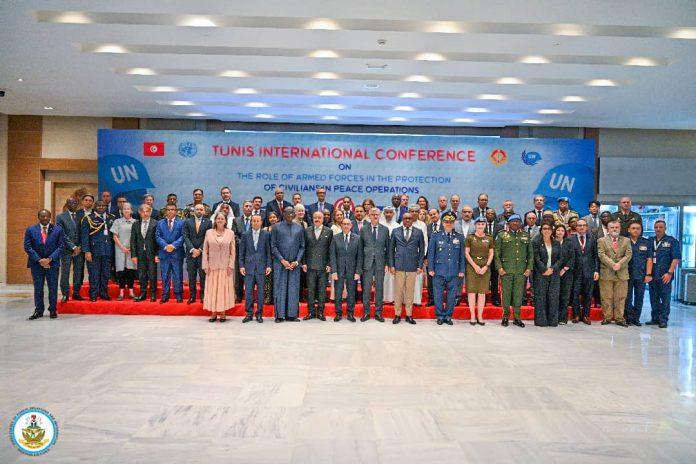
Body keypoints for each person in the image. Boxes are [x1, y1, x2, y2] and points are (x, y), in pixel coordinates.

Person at [494, 214, 533, 328]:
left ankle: (517, 317)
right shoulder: (502, 235)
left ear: (521, 223)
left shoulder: (526, 236)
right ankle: (505, 316)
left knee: (518, 295)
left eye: (517, 221)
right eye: (513, 221)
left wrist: (529, 268)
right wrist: (499, 268)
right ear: (509, 223)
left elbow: (530, 254)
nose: (515, 223)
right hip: (506, 270)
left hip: (521, 271)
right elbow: (497, 253)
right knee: (506, 295)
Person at [25, 209, 64, 319]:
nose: (45, 218)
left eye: (47, 216)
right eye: (42, 216)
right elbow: (28, 247)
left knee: (53, 287)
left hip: (52, 263)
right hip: (36, 264)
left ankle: (53, 310)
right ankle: (39, 310)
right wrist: (40, 260)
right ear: (38, 217)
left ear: (50, 217)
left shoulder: (58, 229)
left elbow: (61, 246)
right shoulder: (31, 229)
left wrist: (49, 259)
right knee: (38, 287)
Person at [427, 212, 465, 325]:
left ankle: (448, 316)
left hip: (453, 270)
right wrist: (430, 268)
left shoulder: (459, 237)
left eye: (451, 222)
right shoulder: (435, 235)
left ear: (454, 223)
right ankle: (439, 315)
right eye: (446, 222)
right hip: (438, 270)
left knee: (451, 295)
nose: (449, 224)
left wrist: (461, 270)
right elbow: (431, 253)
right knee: (438, 294)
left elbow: (462, 255)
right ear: (443, 223)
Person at [389, 212, 425, 324]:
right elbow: (391, 250)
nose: (408, 220)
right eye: (405, 218)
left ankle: (409, 315)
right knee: (398, 292)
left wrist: (420, 266)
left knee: (410, 292)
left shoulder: (418, 232)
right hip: (398, 266)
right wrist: (392, 265)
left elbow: (422, 250)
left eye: (409, 218)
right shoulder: (395, 231)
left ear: (412, 219)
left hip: (412, 266)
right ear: (402, 219)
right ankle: (397, 314)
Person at [271, 206, 305, 322]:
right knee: (280, 288)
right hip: (280, 263)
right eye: (287, 213)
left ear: (294, 214)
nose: (290, 215)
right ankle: (279, 315)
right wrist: (282, 260)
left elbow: (302, 247)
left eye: (292, 213)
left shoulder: (299, 228)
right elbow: (273, 246)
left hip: (294, 265)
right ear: (283, 214)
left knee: (293, 289)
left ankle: (292, 315)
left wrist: (297, 261)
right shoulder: (276, 227)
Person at [202, 213, 236, 322]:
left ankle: (223, 313)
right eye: (218, 218)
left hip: (225, 267)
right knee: (212, 290)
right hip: (212, 266)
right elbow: (205, 250)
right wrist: (205, 265)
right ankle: (213, 313)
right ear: (215, 220)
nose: (220, 220)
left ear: (225, 221)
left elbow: (233, 251)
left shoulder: (230, 233)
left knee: (223, 290)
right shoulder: (209, 232)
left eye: (222, 218)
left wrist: (231, 265)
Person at [597, 220, 632, 326]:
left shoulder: (626, 240)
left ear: (620, 228)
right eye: (612, 227)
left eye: (616, 227)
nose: (614, 229)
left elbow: (628, 254)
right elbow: (601, 255)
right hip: (607, 272)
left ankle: (619, 318)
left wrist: (619, 264)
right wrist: (613, 264)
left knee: (621, 297)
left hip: (622, 273)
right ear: (608, 229)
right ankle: (607, 317)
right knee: (606, 297)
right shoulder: (601, 240)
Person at [647, 220, 680, 328]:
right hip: (653, 274)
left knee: (665, 298)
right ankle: (655, 318)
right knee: (653, 297)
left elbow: (676, 258)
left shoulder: (672, 241)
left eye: (661, 227)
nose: (658, 229)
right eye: (656, 227)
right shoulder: (650, 240)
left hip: (665, 274)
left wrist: (669, 273)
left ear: (665, 228)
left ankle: (663, 320)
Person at [239, 215, 271, 323]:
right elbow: (241, 252)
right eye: (254, 221)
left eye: (258, 221)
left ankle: (259, 314)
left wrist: (269, 265)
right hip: (249, 267)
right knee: (248, 292)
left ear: (261, 222)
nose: (256, 222)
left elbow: (268, 251)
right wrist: (241, 266)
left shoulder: (266, 234)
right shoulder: (245, 235)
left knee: (261, 292)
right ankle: (249, 313)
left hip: (261, 267)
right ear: (251, 222)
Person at [81, 200, 115, 301]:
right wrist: (87, 251)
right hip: (94, 251)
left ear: (106, 207)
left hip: (108, 250)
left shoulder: (111, 218)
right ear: (95, 207)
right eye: (98, 205)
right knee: (94, 274)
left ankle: (104, 293)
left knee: (105, 274)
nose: (101, 207)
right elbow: (84, 237)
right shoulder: (88, 218)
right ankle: (93, 294)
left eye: (103, 205)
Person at [303, 211, 333, 321]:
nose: (317, 219)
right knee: (311, 290)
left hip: (323, 266)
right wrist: (304, 263)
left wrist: (329, 264)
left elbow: (331, 249)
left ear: (323, 219)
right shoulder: (307, 230)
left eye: (319, 217)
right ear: (312, 218)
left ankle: (320, 312)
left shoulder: (329, 231)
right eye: (315, 217)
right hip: (310, 265)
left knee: (321, 290)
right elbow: (304, 247)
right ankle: (311, 312)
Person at [330, 218, 362, 322]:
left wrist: (358, 272)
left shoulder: (357, 238)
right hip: (338, 270)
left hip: (352, 271)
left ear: (351, 226)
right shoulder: (335, 238)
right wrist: (334, 271)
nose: (346, 226)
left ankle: (350, 313)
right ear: (341, 225)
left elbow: (359, 257)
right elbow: (332, 256)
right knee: (338, 292)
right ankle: (338, 313)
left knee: (351, 292)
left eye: (348, 224)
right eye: (344, 224)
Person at [360, 207, 389, 322]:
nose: (375, 216)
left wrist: (387, 263)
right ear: (369, 216)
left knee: (379, 288)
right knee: (366, 289)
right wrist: (360, 265)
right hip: (367, 263)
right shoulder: (363, 229)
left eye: (377, 214)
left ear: (380, 215)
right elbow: (360, 248)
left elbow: (388, 248)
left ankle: (378, 313)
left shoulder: (385, 230)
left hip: (380, 263)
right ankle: (366, 312)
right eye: (373, 214)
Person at [465, 216, 494, 325]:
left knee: (482, 292)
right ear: (475, 225)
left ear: (485, 225)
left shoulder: (489, 238)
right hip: (472, 267)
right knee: (472, 292)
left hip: (485, 267)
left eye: (482, 224)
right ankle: (472, 316)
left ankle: (480, 316)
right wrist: (475, 266)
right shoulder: (470, 237)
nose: (480, 226)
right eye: (478, 224)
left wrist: (486, 266)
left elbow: (491, 253)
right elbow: (466, 253)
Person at [570, 219, 599, 324]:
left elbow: (596, 256)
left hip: (589, 271)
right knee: (575, 294)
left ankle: (586, 315)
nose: (581, 227)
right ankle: (576, 315)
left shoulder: (593, 239)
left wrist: (596, 270)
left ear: (586, 227)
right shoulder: (570, 239)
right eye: (579, 225)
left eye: (583, 225)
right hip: (575, 272)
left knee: (588, 294)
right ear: (576, 227)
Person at [533, 223, 562, 327]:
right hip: (541, 273)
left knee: (553, 297)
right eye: (544, 228)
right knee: (540, 298)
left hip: (554, 274)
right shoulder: (536, 242)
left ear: (552, 230)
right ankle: (541, 321)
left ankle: (552, 321)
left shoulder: (556, 243)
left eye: (549, 228)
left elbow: (560, 258)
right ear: (541, 230)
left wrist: (552, 269)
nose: (547, 230)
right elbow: (536, 258)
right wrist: (544, 269)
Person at [625, 222, 653, 326]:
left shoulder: (646, 242)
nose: (635, 230)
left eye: (638, 228)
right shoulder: (624, 241)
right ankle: (628, 318)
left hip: (641, 275)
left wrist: (648, 274)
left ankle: (636, 318)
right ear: (629, 230)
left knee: (639, 297)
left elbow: (649, 259)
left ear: (641, 230)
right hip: (627, 275)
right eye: (633, 228)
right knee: (627, 298)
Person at [156, 204, 185, 303]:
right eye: (168, 210)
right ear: (165, 211)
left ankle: (178, 295)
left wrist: (173, 246)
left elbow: (183, 236)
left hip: (177, 253)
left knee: (178, 275)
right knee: (165, 275)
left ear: (176, 211)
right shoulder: (160, 223)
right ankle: (165, 295)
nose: (170, 211)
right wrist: (165, 246)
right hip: (164, 253)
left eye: (172, 209)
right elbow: (157, 236)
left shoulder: (181, 222)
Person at [183, 203, 212, 304]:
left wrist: (200, 249)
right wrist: (192, 249)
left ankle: (203, 296)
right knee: (191, 276)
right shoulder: (187, 221)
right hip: (191, 254)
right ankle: (192, 296)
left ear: (204, 211)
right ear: (194, 211)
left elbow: (208, 237)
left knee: (203, 276)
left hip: (203, 254)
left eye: (201, 209)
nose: (199, 211)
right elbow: (185, 237)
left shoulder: (208, 222)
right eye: (197, 209)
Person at [130, 204, 159, 302]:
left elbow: (158, 241)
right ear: (139, 213)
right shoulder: (135, 224)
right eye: (143, 211)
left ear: (150, 212)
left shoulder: (156, 223)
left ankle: (153, 294)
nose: (145, 213)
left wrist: (157, 254)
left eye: (147, 211)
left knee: (152, 275)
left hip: (152, 254)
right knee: (142, 275)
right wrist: (133, 255)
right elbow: (133, 241)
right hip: (140, 254)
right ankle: (143, 294)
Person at [56, 198, 83, 302]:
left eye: (75, 202)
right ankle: (65, 294)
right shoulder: (60, 217)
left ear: (78, 204)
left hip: (79, 249)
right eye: (71, 202)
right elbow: (62, 234)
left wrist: (79, 246)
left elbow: (84, 233)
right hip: (66, 249)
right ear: (67, 204)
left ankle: (76, 293)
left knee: (78, 272)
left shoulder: (82, 216)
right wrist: (73, 247)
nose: (73, 204)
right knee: (65, 272)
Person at [110, 202, 137, 300]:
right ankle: (121, 292)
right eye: (124, 208)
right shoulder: (117, 221)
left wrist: (132, 248)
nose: (126, 210)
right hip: (120, 249)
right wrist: (122, 248)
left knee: (130, 271)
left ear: (131, 210)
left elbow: (138, 237)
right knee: (121, 271)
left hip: (131, 250)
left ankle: (131, 291)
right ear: (122, 211)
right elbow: (115, 236)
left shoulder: (136, 222)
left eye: (128, 208)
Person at [232, 201, 254, 301]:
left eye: (250, 206)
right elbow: (234, 235)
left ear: (252, 208)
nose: (248, 208)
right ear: (243, 207)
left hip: (253, 252)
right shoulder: (236, 220)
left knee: (251, 275)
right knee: (239, 275)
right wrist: (243, 244)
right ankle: (239, 296)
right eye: (246, 206)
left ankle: (250, 297)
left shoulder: (256, 219)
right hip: (240, 252)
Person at [554, 224, 576, 324]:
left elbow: (572, 257)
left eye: (562, 231)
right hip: (554, 272)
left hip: (567, 273)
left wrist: (564, 269)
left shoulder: (569, 242)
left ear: (565, 232)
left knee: (565, 295)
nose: (560, 232)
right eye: (558, 230)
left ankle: (563, 318)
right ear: (555, 231)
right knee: (555, 295)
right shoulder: (552, 242)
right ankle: (554, 317)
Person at [410, 204, 429, 306]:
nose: (414, 213)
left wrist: (422, 257)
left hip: (418, 256)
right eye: (412, 211)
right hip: (405, 256)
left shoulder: (422, 225)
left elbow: (425, 243)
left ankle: (416, 300)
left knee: (418, 278)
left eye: (416, 211)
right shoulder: (403, 223)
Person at [380, 206, 398, 304]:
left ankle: (393, 298)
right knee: (383, 277)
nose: (388, 214)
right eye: (387, 212)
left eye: (390, 212)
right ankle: (383, 298)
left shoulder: (397, 225)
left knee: (393, 277)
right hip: (382, 255)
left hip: (395, 255)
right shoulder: (380, 225)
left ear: (393, 214)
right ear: (384, 214)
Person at [485, 208, 503, 306]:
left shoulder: (500, 227)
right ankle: (483, 299)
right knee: (484, 279)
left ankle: (495, 298)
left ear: (495, 215)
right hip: (484, 257)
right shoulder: (481, 225)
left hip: (496, 257)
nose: (490, 215)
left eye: (492, 213)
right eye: (488, 213)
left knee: (495, 280)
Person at [263, 211, 279, 305]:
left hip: (278, 257)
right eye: (270, 217)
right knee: (268, 278)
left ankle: (277, 298)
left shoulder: (281, 229)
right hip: (267, 257)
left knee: (277, 279)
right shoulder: (265, 230)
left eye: (274, 217)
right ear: (268, 219)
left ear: (277, 218)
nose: (272, 219)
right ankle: (268, 298)